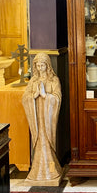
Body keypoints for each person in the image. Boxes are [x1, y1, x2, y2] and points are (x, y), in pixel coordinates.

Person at [22, 52, 62, 182]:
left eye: (42, 65)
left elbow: (57, 98)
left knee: (46, 140)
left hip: (48, 117)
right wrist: (34, 96)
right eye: (37, 66)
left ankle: (51, 168)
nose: (40, 68)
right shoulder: (33, 80)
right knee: (39, 140)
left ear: (47, 66)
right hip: (37, 117)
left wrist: (46, 96)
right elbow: (25, 98)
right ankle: (37, 170)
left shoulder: (53, 80)